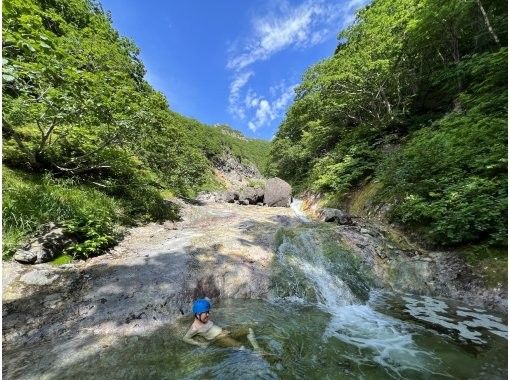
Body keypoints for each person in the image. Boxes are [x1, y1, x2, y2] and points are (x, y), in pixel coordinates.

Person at [182, 298, 261, 351]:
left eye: (208, 312)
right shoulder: (195, 328)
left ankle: (257, 350)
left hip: (225, 332)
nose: (208, 315)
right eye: (205, 313)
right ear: (198, 315)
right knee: (240, 346)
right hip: (219, 339)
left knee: (248, 329)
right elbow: (185, 338)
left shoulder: (204, 319)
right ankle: (254, 357)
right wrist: (200, 344)